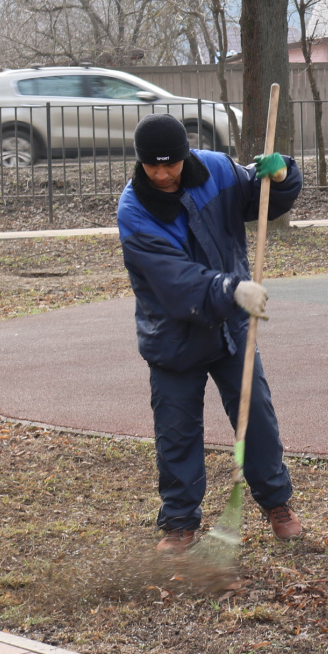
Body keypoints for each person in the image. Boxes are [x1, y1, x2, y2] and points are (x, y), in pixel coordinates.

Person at [117, 113, 304, 552]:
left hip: (230, 330)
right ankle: (180, 521)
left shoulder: (217, 170)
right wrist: (232, 288)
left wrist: (281, 176)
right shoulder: (134, 211)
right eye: (152, 166)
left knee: (256, 415)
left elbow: (263, 202)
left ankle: (277, 502)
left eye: (170, 164)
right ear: (140, 163)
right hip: (173, 336)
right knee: (177, 430)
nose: (162, 174)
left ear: (186, 155)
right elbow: (175, 280)